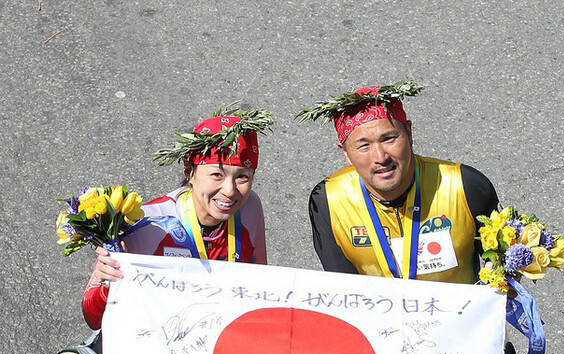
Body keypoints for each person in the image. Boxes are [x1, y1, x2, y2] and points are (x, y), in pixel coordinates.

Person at [82, 108, 273, 329]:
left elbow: (260, 279)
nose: (229, 191)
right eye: (216, 175)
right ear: (189, 172)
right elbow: (93, 319)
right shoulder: (147, 226)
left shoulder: (250, 207)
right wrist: (107, 284)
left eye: (242, 177)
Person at [300, 81, 498, 283]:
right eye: (364, 146)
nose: (380, 157)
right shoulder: (329, 201)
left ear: (409, 133)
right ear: (345, 153)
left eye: (389, 139)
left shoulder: (465, 186)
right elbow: (342, 287)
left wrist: (503, 275)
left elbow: (505, 261)